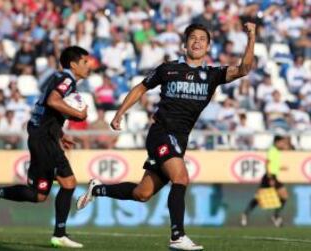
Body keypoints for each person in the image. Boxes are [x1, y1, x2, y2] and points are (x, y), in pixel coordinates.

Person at [77, 22, 256, 250]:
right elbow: (141, 88)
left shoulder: (213, 75)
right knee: (180, 178)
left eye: (202, 38)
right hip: (161, 132)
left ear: (209, 46)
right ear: (184, 45)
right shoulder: (168, 69)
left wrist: (251, 37)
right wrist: (120, 113)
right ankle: (177, 236)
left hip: (180, 138)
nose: (197, 41)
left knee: (142, 193)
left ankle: (97, 188)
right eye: (193, 38)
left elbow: (244, 69)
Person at [0, 46, 90, 247]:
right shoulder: (66, 80)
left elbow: (45, 109)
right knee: (69, 183)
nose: (89, 66)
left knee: (39, 194)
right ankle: (59, 234)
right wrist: (78, 114)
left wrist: (60, 134)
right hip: (44, 139)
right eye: (85, 62)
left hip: (42, 136)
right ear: (73, 64)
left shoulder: (60, 78)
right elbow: (53, 101)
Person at [241, 135, 290, 227]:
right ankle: (245, 214)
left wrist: (280, 168)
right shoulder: (272, 150)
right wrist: (270, 178)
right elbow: (267, 164)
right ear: (277, 142)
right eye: (282, 142)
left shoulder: (276, 151)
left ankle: (275, 216)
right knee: (259, 197)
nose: (283, 145)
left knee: (284, 196)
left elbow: (272, 165)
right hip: (269, 177)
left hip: (273, 176)